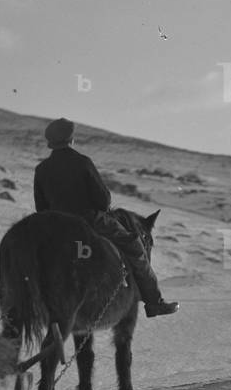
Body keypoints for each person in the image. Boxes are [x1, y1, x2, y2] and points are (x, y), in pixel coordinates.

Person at [33, 118, 180, 318]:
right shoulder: (82, 162)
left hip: (57, 228)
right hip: (90, 222)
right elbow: (103, 200)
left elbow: (41, 209)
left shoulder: (41, 169)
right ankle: (154, 303)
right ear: (71, 139)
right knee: (135, 247)